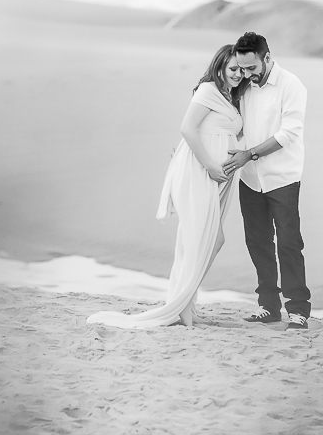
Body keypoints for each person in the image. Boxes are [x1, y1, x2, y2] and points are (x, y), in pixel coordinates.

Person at [87, 45, 248, 328]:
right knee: (204, 239)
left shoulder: (232, 96)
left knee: (201, 241)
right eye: (232, 69)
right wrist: (209, 164)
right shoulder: (208, 90)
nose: (238, 74)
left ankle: (186, 303)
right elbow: (187, 128)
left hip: (219, 177)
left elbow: (229, 131)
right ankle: (181, 307)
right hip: (200, 171)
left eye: (241, 70)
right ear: (220, 66)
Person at [222, 32, 311, 330]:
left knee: (288, 243)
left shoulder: (292, 85)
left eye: (252, 68)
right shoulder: (243, 85)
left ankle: (298, 310)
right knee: (257, 242)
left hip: (282, 177)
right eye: (242, 68)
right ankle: (268, 306)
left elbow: (289, 134)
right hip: (249, 179)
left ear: (268, 58)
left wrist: (249, 154)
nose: (246, 74)